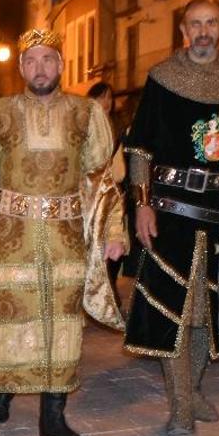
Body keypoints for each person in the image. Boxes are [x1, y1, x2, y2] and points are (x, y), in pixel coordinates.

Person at [0, 29, 127, 436]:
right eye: (31, 60)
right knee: (10, 315)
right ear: (21, 67)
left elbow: (101, 179)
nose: (40, 67)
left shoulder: (86, 113)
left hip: (66, 235)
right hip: (12, 233)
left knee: (62, 323)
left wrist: (115, 230)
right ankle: (4, 389)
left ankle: (53, 415)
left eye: (48, 59)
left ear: (61, 65)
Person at [122, 0, 219, 435]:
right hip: (172, 208)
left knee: (212, 308)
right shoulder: (163, 78)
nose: (203, 31)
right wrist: (142, 203)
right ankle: (181, 403)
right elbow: (139, 148)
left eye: (212, 23)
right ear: (183, 29)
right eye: (195, 24)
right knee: (175, 310)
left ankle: (194, 388)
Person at [87, 81, 128, 290]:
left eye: (110, 97)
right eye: (102, 97)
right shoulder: (83, 127)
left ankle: (110, 289)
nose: (107, 102)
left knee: (114, 246)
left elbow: (122, 166)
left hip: (115, 194)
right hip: (91, 197)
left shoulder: (118, 127)